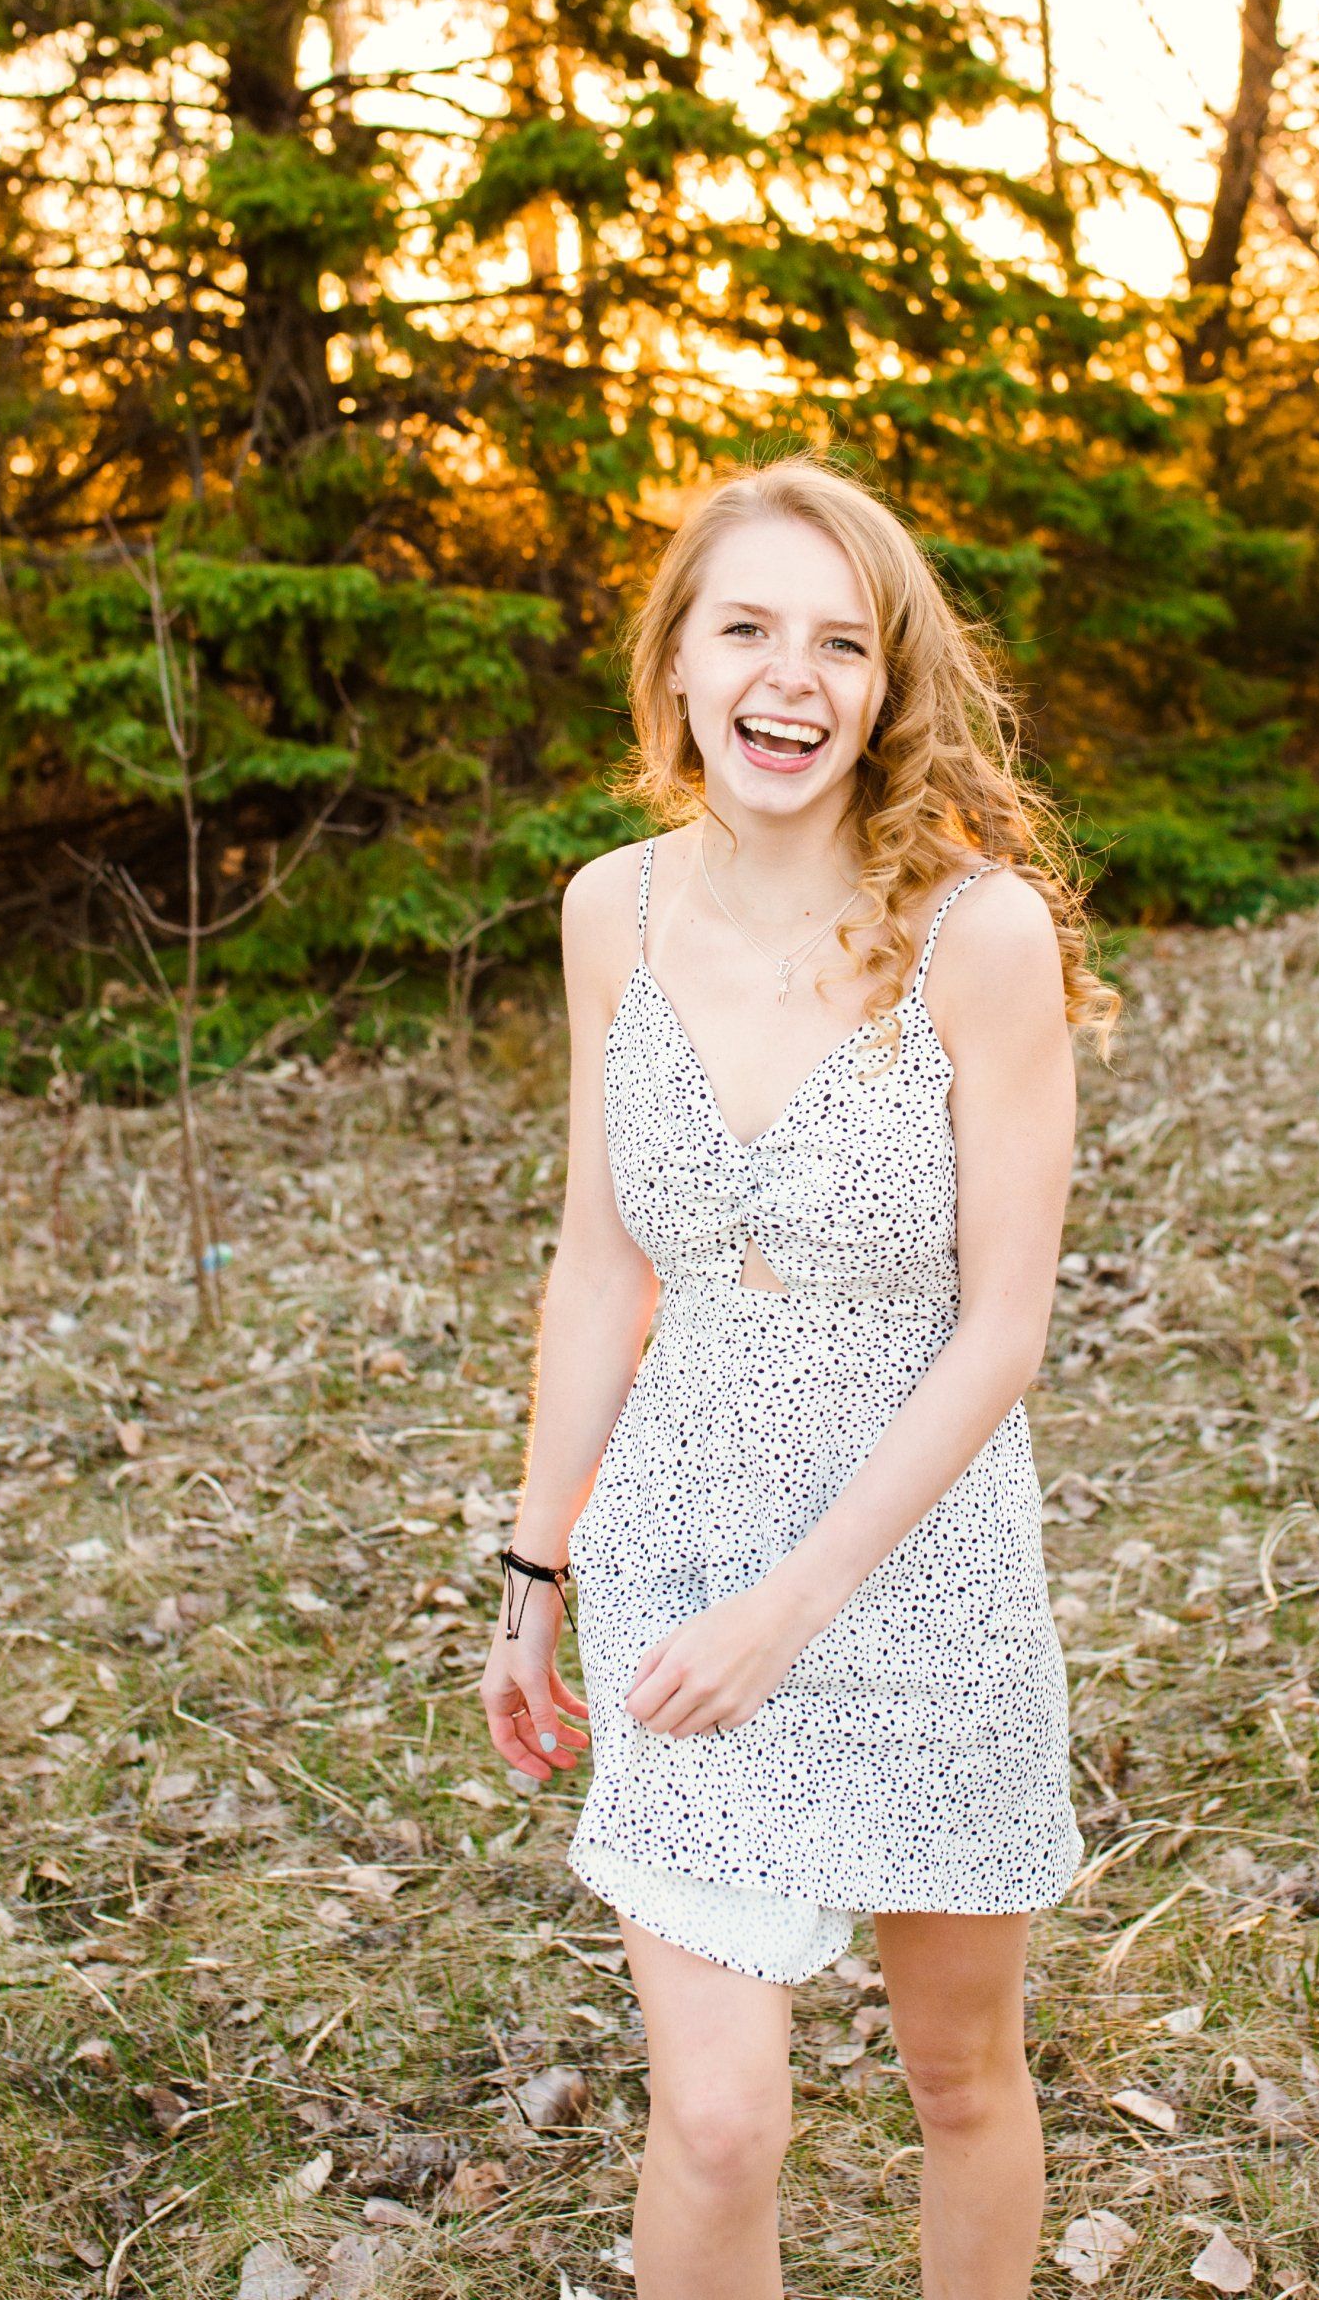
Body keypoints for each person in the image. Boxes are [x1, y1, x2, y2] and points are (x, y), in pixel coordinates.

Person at [482, 457, 1115, 2300]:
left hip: (918, 1571)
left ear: (889, 682)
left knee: (958, 2075)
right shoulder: (612, 910)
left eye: (843, 642)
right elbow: (604, 1256)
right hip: (680, 1559)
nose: (793, 678)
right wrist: (537, 1569)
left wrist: (804, 1601)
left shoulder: (976, 937)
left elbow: (1005, 1327)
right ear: (675, 661)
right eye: (748, 627)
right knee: (718, 2123)